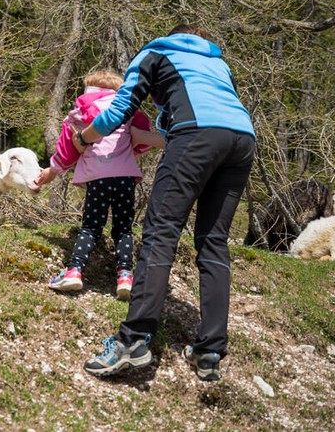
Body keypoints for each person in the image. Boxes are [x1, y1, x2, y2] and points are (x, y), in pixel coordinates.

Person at [72, 25, 255, 382]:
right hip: (243, 139)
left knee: (160, 230)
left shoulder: (154, 52)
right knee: (214, 242)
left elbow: (119, 110)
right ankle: (210, 350)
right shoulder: (217, 62)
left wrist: (83, 137)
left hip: (198, 134)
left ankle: (132, 341)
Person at [35, 70, 164, 300]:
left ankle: (74, 271)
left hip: (97, 178)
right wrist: (133, 150)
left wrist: (52, 170)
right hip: (124, 178)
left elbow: (68, 147)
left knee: (91, 227)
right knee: (123, 228)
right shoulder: (128, 109)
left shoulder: (80, 112)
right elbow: (143, 135)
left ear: (90, 88)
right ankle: (125, 276)